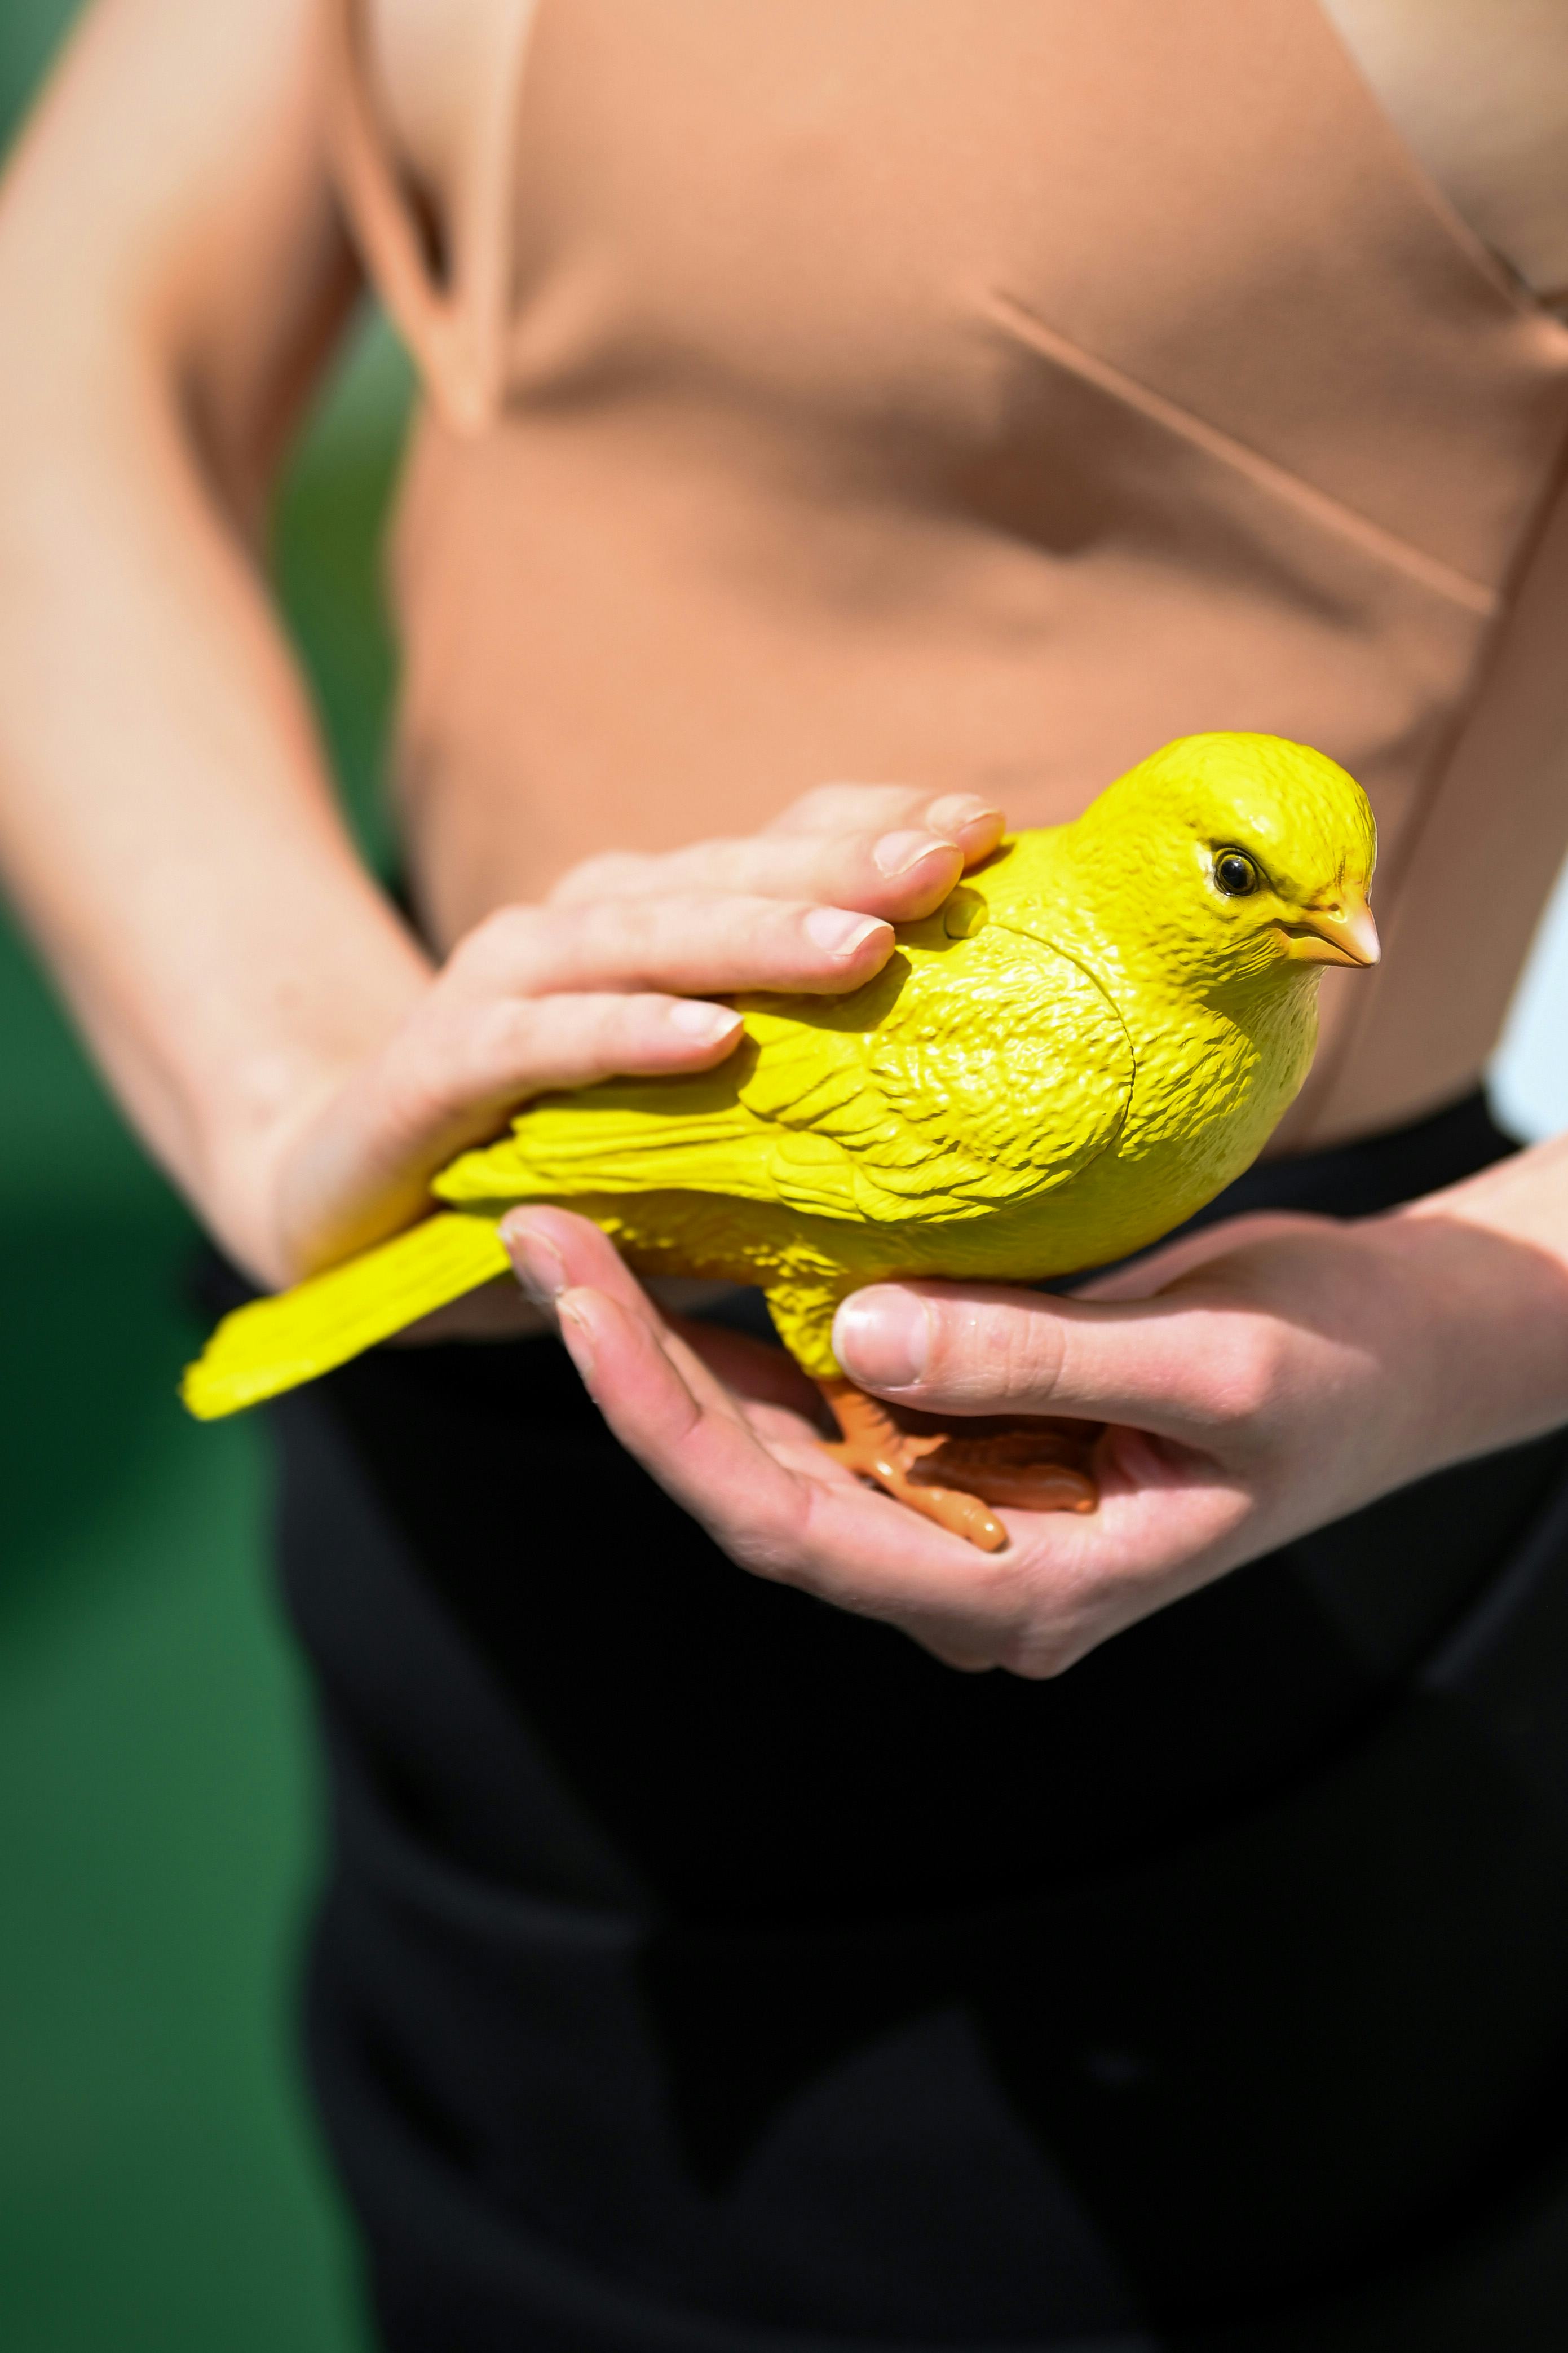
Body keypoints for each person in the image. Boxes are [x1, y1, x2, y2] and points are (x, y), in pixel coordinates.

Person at [3, 0, 1568, 2344]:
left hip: (1231, 1538)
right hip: (447, 1449)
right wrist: (294, 1081)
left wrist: (1429, 1337)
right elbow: (72, 335)